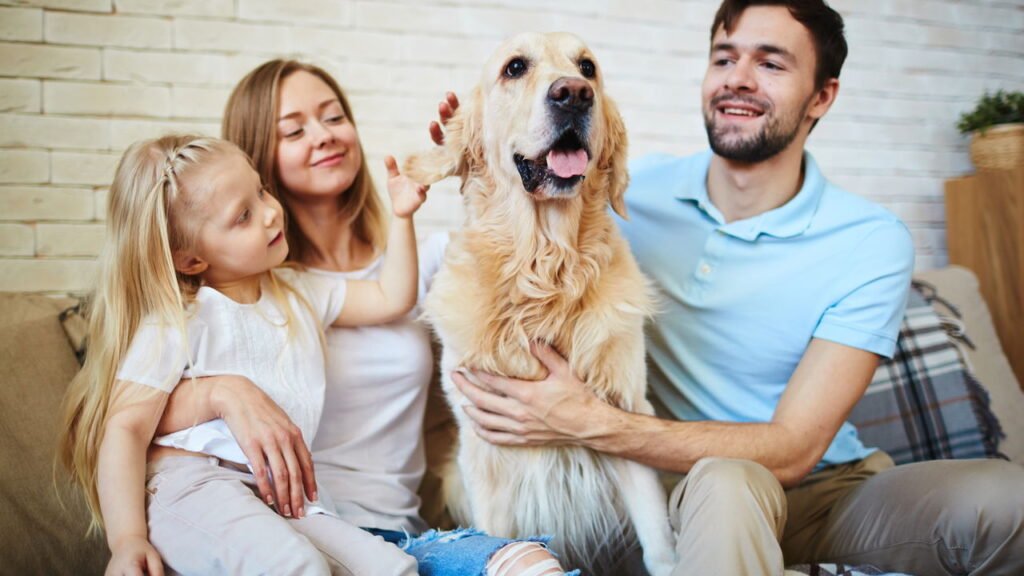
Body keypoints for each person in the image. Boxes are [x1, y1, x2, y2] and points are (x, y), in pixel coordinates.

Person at [444, 1, 1024, 575]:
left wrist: (588, 420)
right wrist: (467, 143)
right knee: (724, 482)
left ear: (823, 95)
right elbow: (506, 217)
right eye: (724, 59)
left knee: (1008, 500)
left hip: (833, 493)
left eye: (771, 64)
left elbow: (796, 448)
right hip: (696, 493)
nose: (738, 80)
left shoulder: (872, 241)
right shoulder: (626, 195)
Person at [155, 60, 572, 575]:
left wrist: (481, 154)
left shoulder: (421, 263)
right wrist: (220, 391)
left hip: (400, 538)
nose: (323, 136)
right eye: (294, 129)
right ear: (255, 157)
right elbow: (129, 414)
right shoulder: (240, 292)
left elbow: (535, 264)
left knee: (532, 567)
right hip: (288, 532)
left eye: (333, 117)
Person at [58, 134, 429, 575]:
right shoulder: (179, 320)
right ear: (190, 259)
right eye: (244, 216)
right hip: (190, 486)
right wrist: (128, 540)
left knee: (396, 569)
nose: (272, 213)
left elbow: (391, 297)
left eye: (261, 191)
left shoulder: (299, 293)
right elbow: (124, 428)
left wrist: (402, 216)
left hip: (278, 496)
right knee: (296, 567)